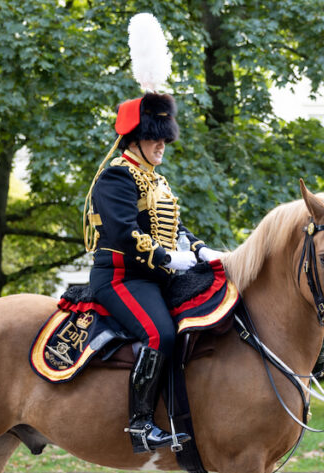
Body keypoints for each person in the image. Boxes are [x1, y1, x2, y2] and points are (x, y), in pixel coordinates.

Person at [85, 92, 222, 453]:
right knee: (160, 333)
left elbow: (175, 228)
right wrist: (165, 258)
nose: (161, 144)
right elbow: (122, 231)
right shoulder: (116, 177)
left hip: (155, 278)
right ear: (134, 138)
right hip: (121, 277)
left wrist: (199, 249)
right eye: (153, 137)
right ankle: (141, 424)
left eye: (164, 137)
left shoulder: (157, 180)